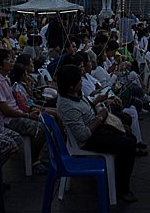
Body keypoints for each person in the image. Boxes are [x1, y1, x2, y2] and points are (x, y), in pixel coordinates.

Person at [56, 64, 140, 203]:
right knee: (129, 144)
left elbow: (87, 109)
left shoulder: (74, 94)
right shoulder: (68, 106)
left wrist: (99, 103)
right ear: (71, 86)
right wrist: (101, 117)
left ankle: (117, 175)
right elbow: (83, 135)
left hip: (96, 128)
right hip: (88, 140)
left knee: (128, 134)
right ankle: (122, 188)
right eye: (79, 80)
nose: (81, 82)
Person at [0, 48, 47, 173]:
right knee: (41, 129)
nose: (12, 61)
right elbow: (6, 110)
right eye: (7, 59)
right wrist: (27, 115)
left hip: (16, 114)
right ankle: (33, 162)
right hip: (7, 120)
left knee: (46, 120)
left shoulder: (4, 78)